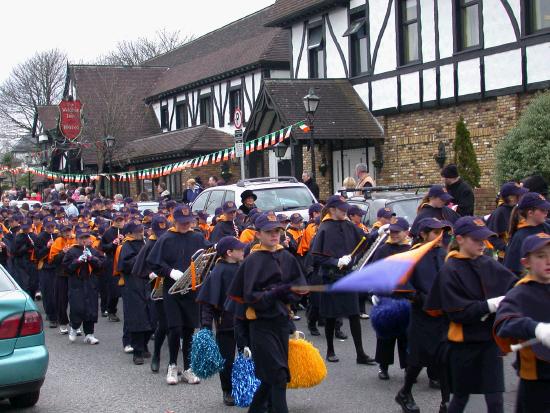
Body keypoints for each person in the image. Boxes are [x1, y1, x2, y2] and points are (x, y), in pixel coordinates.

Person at [424, 216, 517, 413]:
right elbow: (458, 313)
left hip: (489, 343)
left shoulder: (488, 263)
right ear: (460, 239)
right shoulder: (450, 270)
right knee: (461, 399)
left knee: (495, 401)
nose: (482, 244)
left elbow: (515, 287)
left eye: (484, 239)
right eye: (476, 239)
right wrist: (489, 306)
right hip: (463, 345)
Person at [227, 211, 307, 413]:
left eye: (277, 231)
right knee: (278, 374)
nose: (274, 235)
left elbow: (299, 287)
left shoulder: (287, 257)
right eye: (269, 231)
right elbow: (248, 296)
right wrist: (273, 294)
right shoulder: (252, 261)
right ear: (258, 234)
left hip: (281, 322)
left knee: (272, 377)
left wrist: (290, 294)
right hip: (260, 325)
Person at [147, 205, 210, 385]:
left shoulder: (197, 236)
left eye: (188, 221)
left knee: (189, 328)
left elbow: (206, 255)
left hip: (191, 287)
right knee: (174, 328)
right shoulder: (166, 238)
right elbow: (153, 262)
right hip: (172, 288)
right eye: (182, 222)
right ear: (174, 221)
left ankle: (188, 368)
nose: (185, 225)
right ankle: (172, 365)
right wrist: (169, 271)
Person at [395, 218, 451, 413]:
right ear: (423, 234)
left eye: (441, 232)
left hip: (443, 315)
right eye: (435, 233)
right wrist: (420, 298)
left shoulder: (445, 254)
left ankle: (446, 402)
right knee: (418, 360)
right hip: (422, 315)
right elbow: (402, 286)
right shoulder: (412, 255)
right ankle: (405, 392)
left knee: (443, 358)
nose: (439, 236)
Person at [311, 195, 375, 365]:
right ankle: (330, 350)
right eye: (342, 209)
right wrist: (335, 261)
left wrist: (378, 233)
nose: (345, 211)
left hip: (347, 276)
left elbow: (364, 240)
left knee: (354, 314)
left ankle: (360, 353)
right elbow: (316, 257)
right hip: (330, 277)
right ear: (332, 210)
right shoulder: (324, 228)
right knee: (331, 316)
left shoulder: (348, 225)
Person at [494, 233, 550, 413]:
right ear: (526, 262)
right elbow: (505, 324)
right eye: (541, 256)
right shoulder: (520, 293)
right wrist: (536, 328)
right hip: (536, 380)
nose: (548, 261)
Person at [197, 236, 246, 407]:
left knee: (246, 356)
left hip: (245, 322)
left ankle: (245, 387)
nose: (243, 251)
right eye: (239, 249)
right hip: (226, 324)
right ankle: (227, 390)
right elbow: (208, 303)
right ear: (229, 253)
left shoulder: (243, 267)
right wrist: (205, 326)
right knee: (227, 360)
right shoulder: (218, 272)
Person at [370, 217, 411, 381]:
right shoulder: (383, 249)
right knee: (386, 334)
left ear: (406, 232)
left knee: (406, 335)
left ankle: (408, 366)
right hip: (387, 296)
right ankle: (383, 366)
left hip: (406, 297)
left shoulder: (412, 249)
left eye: (397, 231)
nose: (393, 234)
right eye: (392, 231)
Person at [132, 215, 169, 373]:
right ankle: (146, 352)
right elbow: (139, 268)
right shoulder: (150, 244)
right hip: (150, 287)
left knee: (164, 322)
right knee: (149, 320)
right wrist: (150, 274)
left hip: (169, 285)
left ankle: (169, 361)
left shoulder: (169, 241)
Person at [62, 226, 105, 344]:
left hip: (91, 283)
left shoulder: (94, 250)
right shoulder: (71, 251)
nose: (85, 240)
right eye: (82, 238)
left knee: (91, 308)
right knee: (78, 307)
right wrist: (77, 261)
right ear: (77, 239)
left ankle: (89, 334)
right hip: (76, 283)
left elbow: (101, 265)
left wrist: (92, 258)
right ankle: (74, 327)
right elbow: (66, 268)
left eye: (87, 237)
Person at [116, 219, 150, 365]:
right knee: (137, 318)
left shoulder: (145, 242)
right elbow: (126, 265)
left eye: (142, 230)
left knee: (150, 316)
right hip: (132, 284)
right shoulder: (126, 246)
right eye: (138, 231)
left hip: (147, 283)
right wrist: (142, 254)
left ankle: (145, 344)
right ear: (130, 233)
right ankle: (137, 350)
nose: (141, 233)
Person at [504, 192, 550, 276]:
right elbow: (512, 271)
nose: (546, 212)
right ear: (530, 213)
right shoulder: (520, 236)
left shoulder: (546, 227)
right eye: (542, 210)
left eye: (547, 209)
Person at [486, 182, 528, 260]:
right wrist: (507, 247)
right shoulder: (500, 213)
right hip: (506, 258)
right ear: (511, 197)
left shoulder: (519, 210)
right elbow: (491, 236)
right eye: (519, 194)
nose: (522, 196)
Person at [49, 225, 76, 335]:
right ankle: (63, 323)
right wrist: (63, 252)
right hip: (61, 274)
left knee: (75, 300)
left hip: (74, 274)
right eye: (65, 231)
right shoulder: (58, 241)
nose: (67, 233)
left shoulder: (76, 239)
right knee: (61, 300)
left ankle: (76, 324)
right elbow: (53, 260)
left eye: (69, 231)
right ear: (61, 232)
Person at [100, 212, 126, 324]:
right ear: (113, 221)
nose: (119, 222)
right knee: (114, 289)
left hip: (124, 260)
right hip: (112, 262)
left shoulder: (126, 230)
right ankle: (111, 310)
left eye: (121, 220)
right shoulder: (108, 233)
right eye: (117, 220)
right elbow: (103, 248)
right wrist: (113, 243)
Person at [35, 216, 59, 328]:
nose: (51, 228)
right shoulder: (40, 237)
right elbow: (37, 255)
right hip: (45, 267)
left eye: (52, 226)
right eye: (48, 226)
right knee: (48, 292)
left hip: (56, 267)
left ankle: (58, 314)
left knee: (58, 292)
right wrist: (47, 247)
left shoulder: (57, 236)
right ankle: (51, 316)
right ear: (44, 226)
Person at [12, 217, 38, 298]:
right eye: (24, 228)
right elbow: (15, 252)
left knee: (33, 283)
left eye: (27, 228)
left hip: (32, 262)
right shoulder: (18, 237)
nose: (25, 230)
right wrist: (26, 247)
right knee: (25, 284)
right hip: (21, 263)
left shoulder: (34, 236)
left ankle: (33, 296)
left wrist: (34, 247)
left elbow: (38, 250)